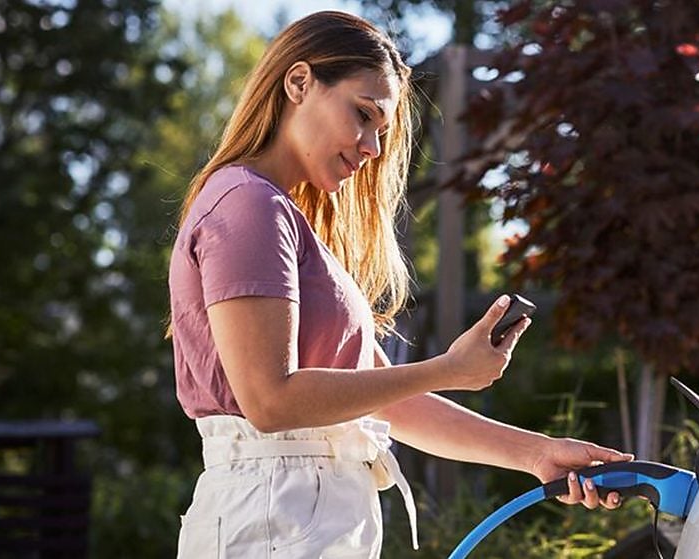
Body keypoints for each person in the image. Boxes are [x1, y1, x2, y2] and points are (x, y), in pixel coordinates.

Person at [167, 11, 631, 557]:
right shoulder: (248, 205)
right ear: (298, 83)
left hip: (295, 516)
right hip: (273, 517)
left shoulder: (286, 218)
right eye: (362, 114)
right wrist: (449, 370)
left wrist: (535, 454)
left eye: (381, 131)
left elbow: (391, 403)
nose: (372, 148)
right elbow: (270, 401)